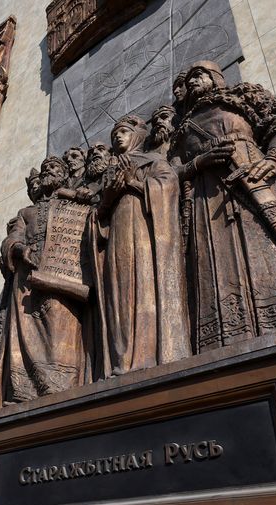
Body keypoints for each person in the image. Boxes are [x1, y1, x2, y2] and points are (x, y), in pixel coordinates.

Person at [173, 60, 276, 353]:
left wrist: (274, 158)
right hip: (204, 199)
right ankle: (222, 336)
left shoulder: (243, 95)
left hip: (251, 183)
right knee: (213, 262)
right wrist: (198, 163)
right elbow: (172, 171)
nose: (192, 82)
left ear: (215, 77)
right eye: (189, 79)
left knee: (265, 247)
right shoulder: (183, 128)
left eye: (199, 75)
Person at [91, 113, 190, 376]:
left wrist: (133, 183)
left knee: (144, 285)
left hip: (145, 233)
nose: (118, 137)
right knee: (119, 291)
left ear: (136, 136)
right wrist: (109, 197)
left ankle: (147, 356)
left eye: (123, 132)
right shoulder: (110, 172)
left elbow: (169, 186)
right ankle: (121, 359)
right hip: (118, 235)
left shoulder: (153, 160)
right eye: (114, 135)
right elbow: (99, 215)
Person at [0, 157, 87, 405]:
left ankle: (60, 386)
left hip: (61, 271)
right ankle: (25, 391)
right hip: (27, 276)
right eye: (45, 169)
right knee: (25, 329)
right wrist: (20, 248)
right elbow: (12, 238)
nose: (48, 171)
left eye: (54, 168)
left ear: (64, 175)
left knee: (59, 321)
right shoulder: (26, 212)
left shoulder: (73, 205)